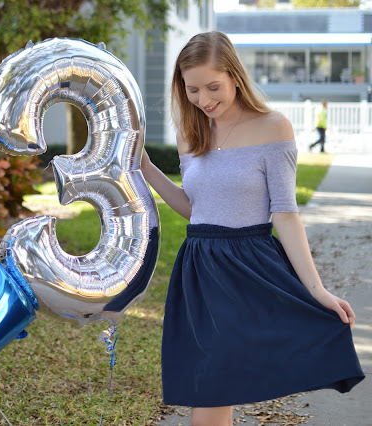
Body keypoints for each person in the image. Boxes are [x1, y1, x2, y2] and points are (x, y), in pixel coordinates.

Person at [140, 31, 364, 426]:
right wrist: (145, 166)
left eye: (213, 87)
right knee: (212, 389)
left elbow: (285, 214)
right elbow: (195, 209)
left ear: (235, 76)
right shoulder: (189, 134)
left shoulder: (273, 127)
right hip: (199, 272)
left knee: (212, 396)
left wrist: (317, 290)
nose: (203, 99)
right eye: (193, 90)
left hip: (250, 269)